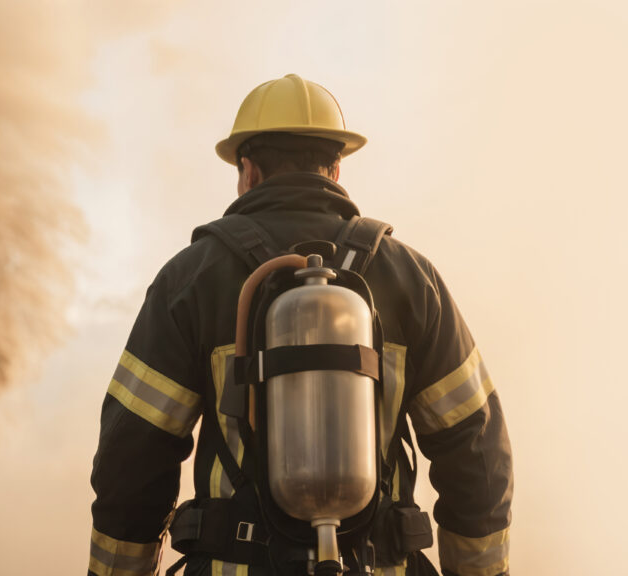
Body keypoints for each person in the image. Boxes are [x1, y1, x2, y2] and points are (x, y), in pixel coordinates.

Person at [88, 74, 513, 576]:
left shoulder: (191, 280)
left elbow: (131, 463)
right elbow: (478, 454)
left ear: (246, 171)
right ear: (335, 169)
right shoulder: (411, 278)